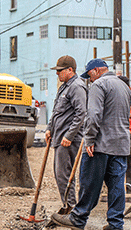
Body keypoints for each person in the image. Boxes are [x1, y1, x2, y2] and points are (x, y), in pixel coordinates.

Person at [51, 58, 131, 230]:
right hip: (121, 145)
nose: (90, 80)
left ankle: (78, 218)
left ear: (96, 71)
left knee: (90, 182)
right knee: (117, 185)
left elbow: (93, 115)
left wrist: (89, 139)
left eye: (90, 75)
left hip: (101, 144)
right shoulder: (124, 86)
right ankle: (115, 224)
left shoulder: (99, 85)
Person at [46, 55, 87, 211]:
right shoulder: (64, 86)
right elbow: (57, 110)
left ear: (70, 70)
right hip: (59, 137)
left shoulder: (77, 86)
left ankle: (70, 206)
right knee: (59, 174)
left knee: (64, 174)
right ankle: (67, 204)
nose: (57, 74)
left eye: (60, 71)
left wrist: (69, 136)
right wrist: (49, 128)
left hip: (69, 139)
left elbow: (81, 113)